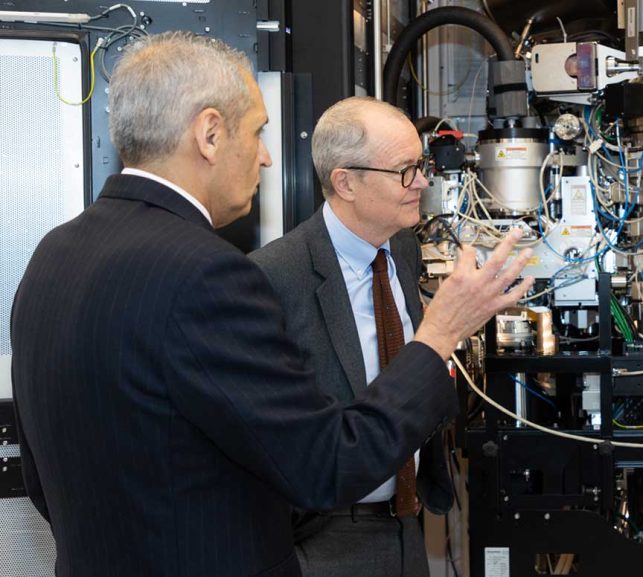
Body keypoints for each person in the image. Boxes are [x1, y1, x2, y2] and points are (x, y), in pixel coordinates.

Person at [10, 32, 533, 577]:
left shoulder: (52, 255)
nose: (265, 157)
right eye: (258, 132)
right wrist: (440, 334)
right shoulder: (208, 275)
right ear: (210, 134)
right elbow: (327, 464)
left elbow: (42, 482)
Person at [249, 97, 448, 577]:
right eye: (405, 170)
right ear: (345, 182)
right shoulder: (273, 277)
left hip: (406, 525)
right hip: (325, 541)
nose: (422, 182)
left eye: (421, 166)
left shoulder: (401, 250)